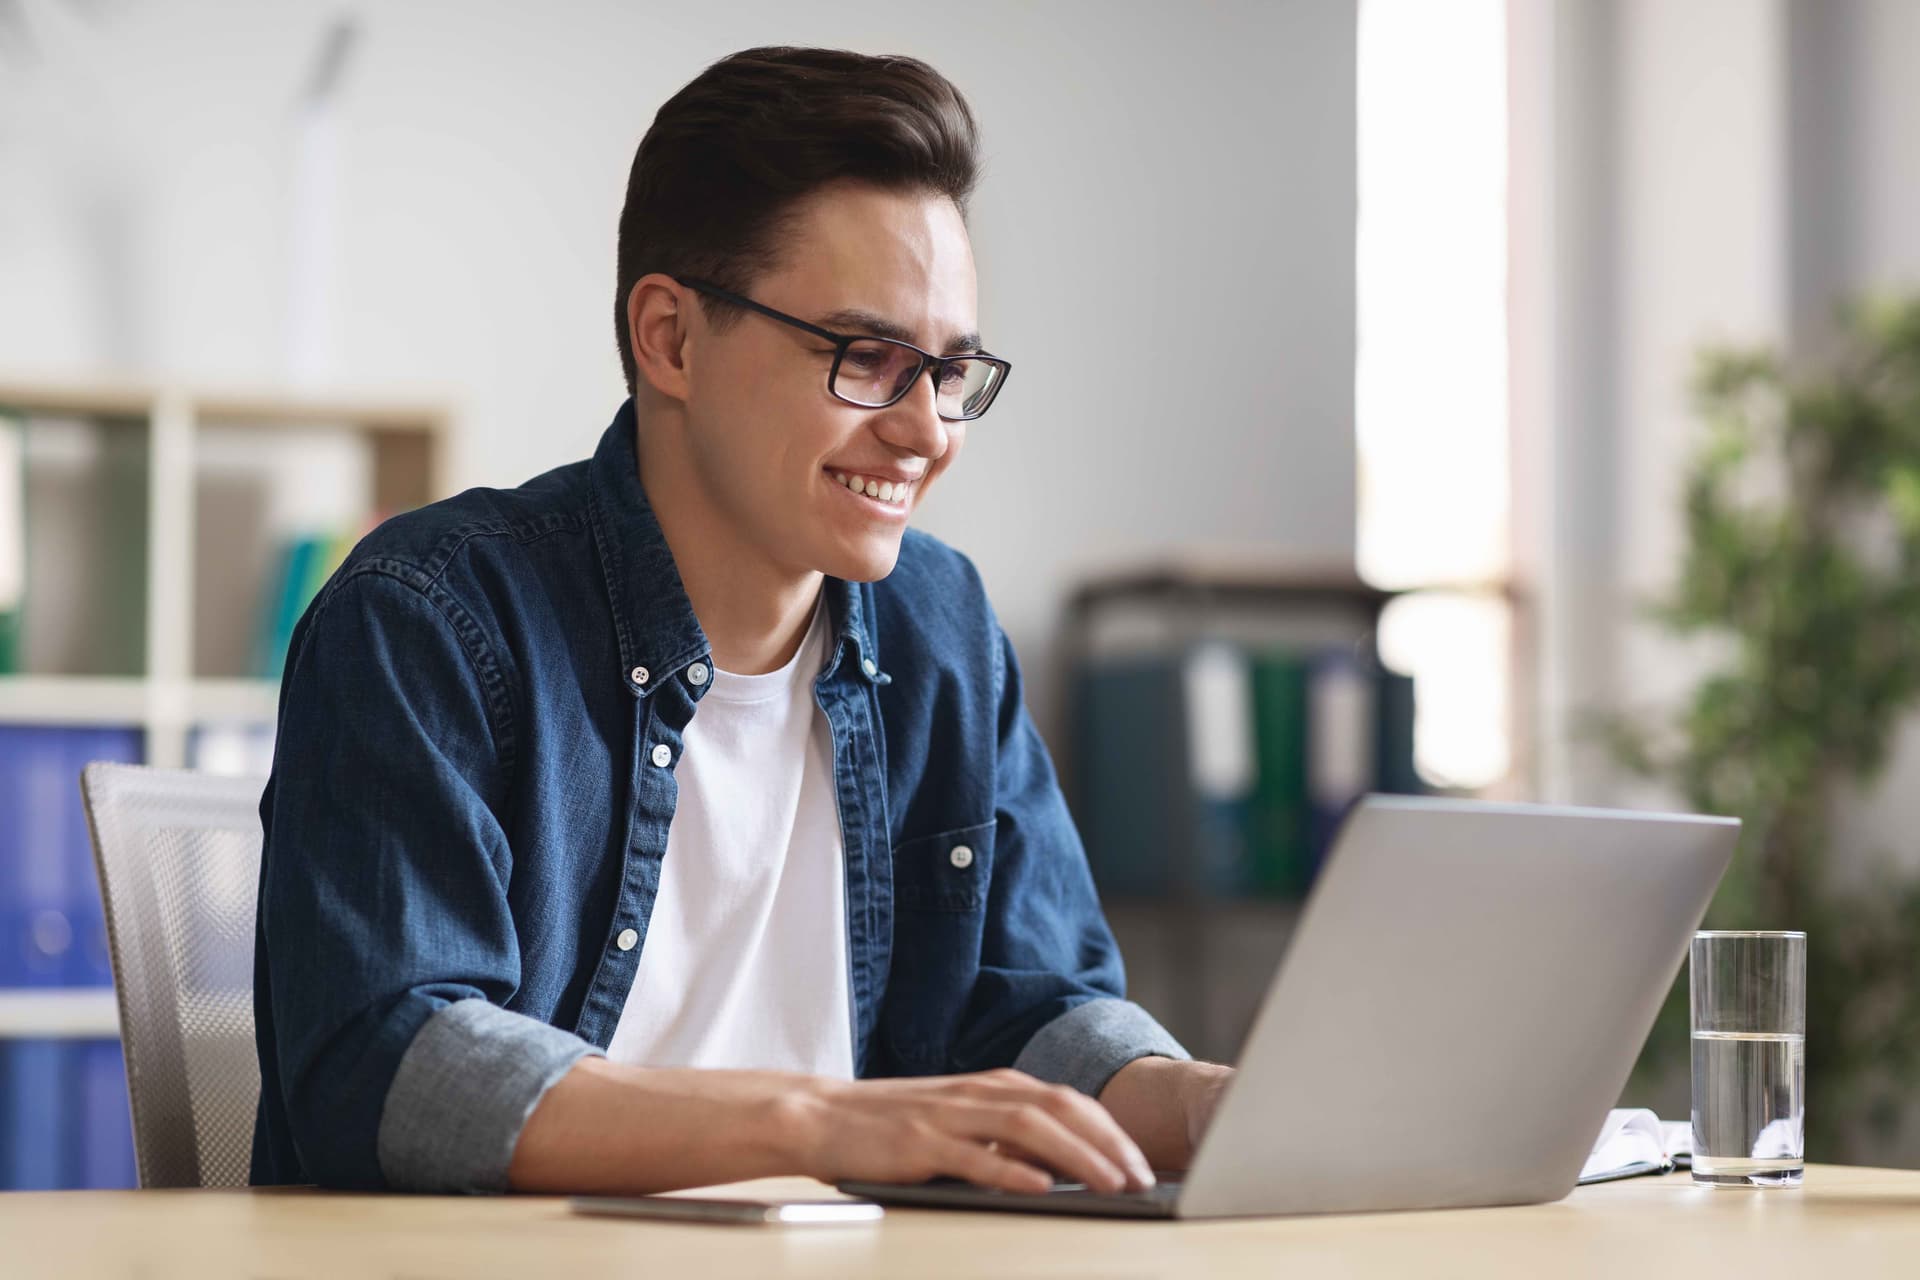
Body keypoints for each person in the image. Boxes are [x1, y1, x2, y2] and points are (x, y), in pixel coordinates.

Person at [249, 45, 1231, 1197]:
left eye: (953, 370)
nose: (925, 431)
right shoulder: (431, 619)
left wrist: (1219, 1102)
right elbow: (387, 1066)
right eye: (868, 358)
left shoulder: (942, 629)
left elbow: (1033, 1008)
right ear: (670, 338)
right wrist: (821, 1123)